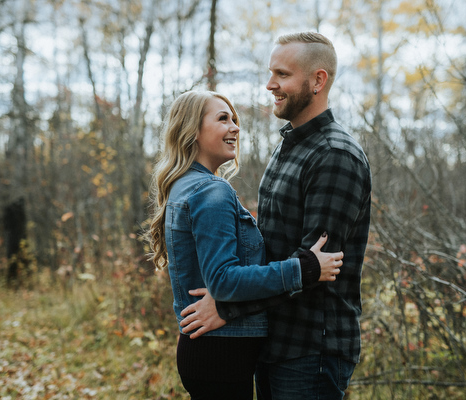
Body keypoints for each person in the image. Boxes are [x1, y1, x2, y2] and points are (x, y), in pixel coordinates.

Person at [181, 32, 372, 400]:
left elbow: (315, 267)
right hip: (274, 341)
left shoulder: (335, 155)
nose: (270, 85)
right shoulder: (289, 147)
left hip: (311, 348)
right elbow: (275, 255)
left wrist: (229, 306)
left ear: (318, 80)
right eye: (271, 74)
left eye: (282, 75)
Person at [146, 90, 345, 400]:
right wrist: (303, 269)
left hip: (212, 351)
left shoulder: (184, 185)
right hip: (221, 352)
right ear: (192, 131)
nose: (235, 127)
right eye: (223, 119)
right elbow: (224, 280)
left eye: (234, 119)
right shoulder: (211, 191)